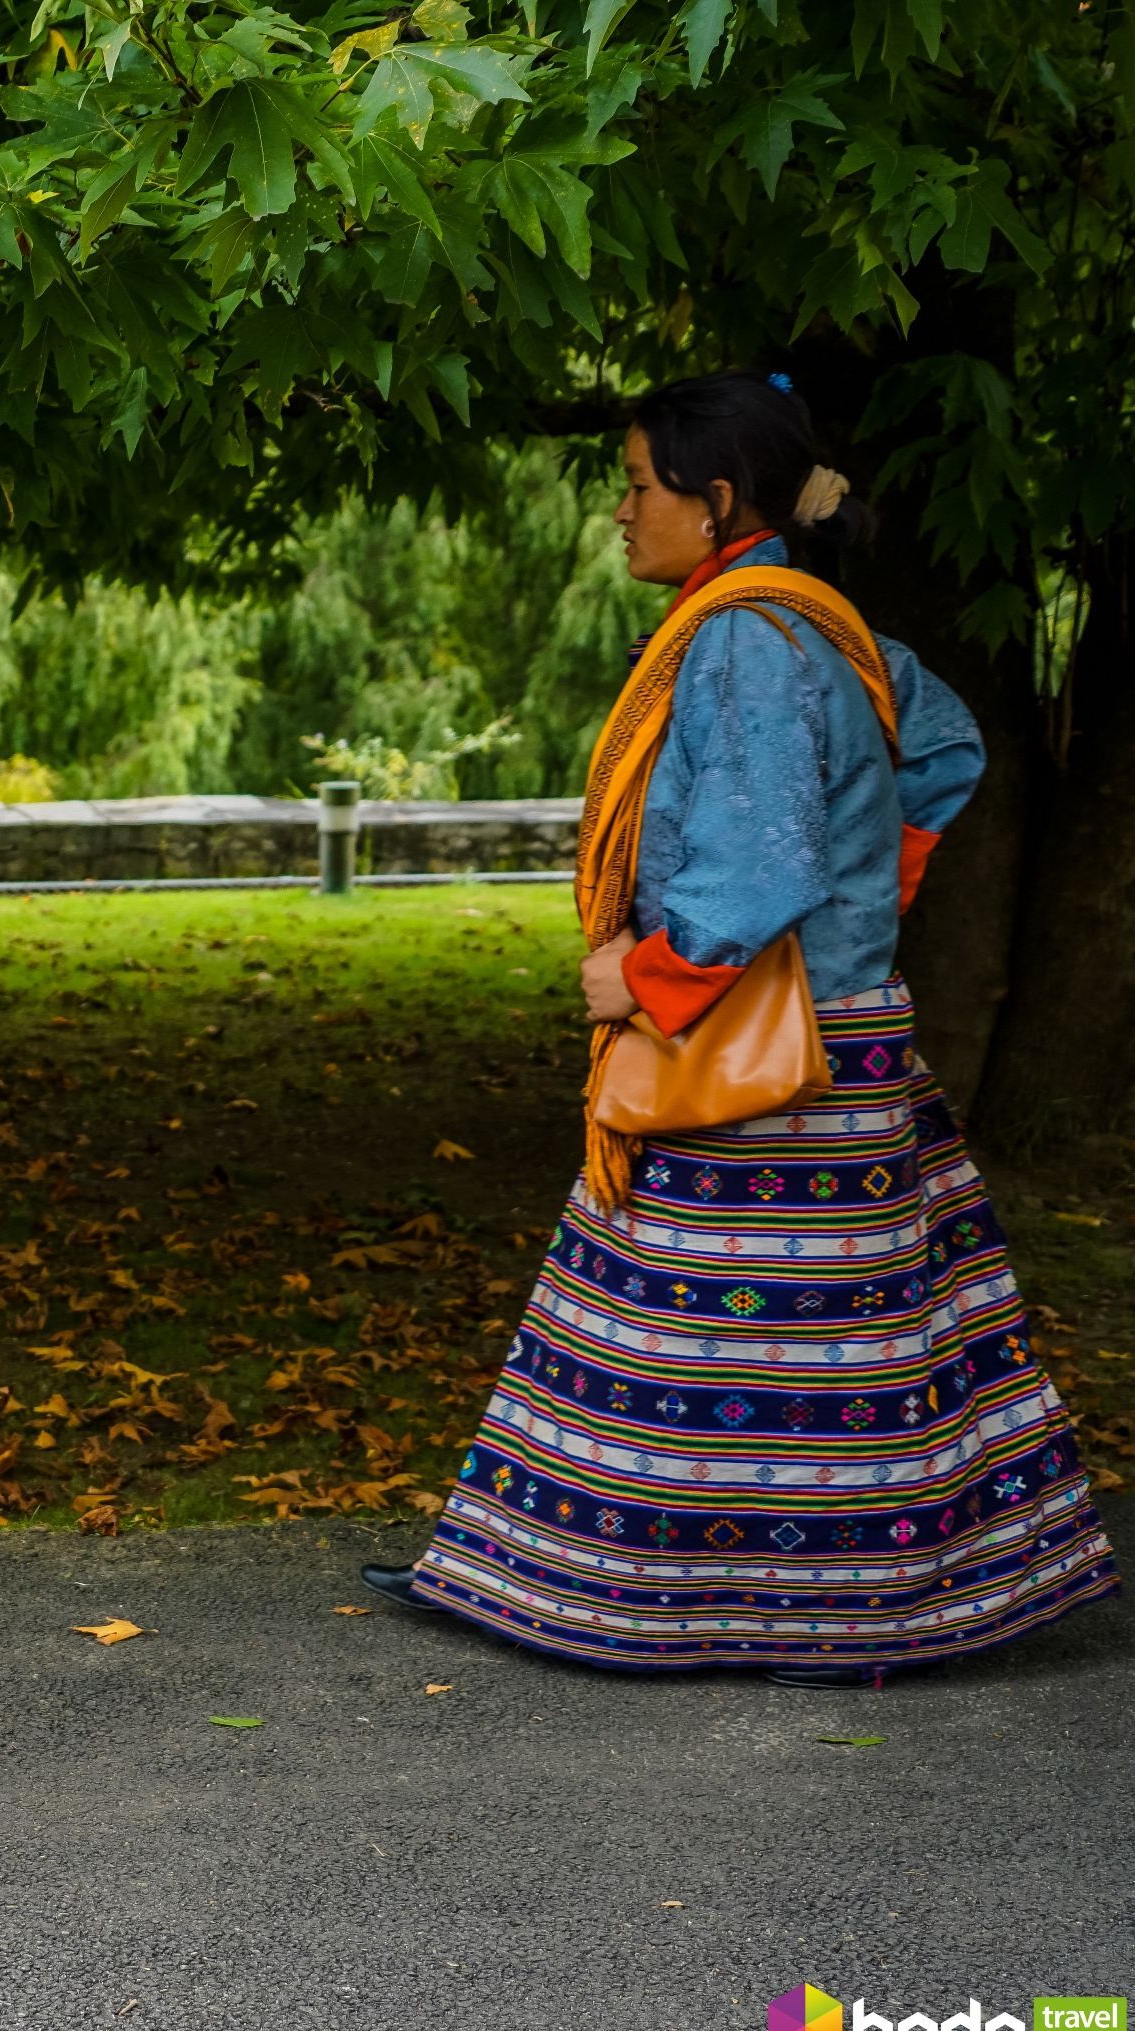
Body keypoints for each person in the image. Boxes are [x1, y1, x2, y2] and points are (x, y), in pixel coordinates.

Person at [363, 372, 1120, 1685]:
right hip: (841, 1032)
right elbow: (937, 745)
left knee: (686, 1330)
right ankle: (817, 1606)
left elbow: (755, 869)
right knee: (823, 1341)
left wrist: (641, 975)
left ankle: (642, 1601)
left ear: (714, 502)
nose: (618, 509)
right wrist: (859, 894)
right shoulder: (816, 622)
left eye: (637, 484)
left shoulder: (739, 640)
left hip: (756, 1043)